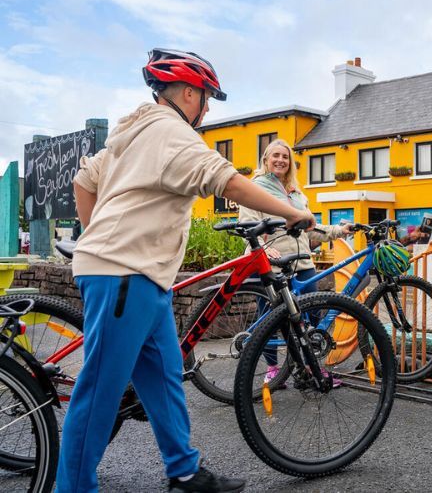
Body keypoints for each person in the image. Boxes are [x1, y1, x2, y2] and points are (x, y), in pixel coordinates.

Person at [57, 48, 315, 493]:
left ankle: (184, 470)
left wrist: (93, 233)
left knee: (163, 374)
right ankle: (73, 488)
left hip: (137, 274)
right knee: (99, 392)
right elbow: (228, 181)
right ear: (186, 92)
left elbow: (84, 181)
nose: (208, 107)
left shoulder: (132, 130)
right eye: (207, 97)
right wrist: (291, 214)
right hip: (124, 273)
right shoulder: (169, 132)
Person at [238, 139, 352, 386]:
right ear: (266, 160)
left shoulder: (297, 194)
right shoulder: (255, 188)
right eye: (275, 155)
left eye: (285, 157)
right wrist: (265, 251)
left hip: (302, 265)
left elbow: (310, 230)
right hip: (272, 266)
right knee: (269, 321)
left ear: (290, 163)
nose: (280, 160)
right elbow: (248, 226)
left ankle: (308, 371)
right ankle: (272, 369)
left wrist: (338, 231)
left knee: (310, 320)